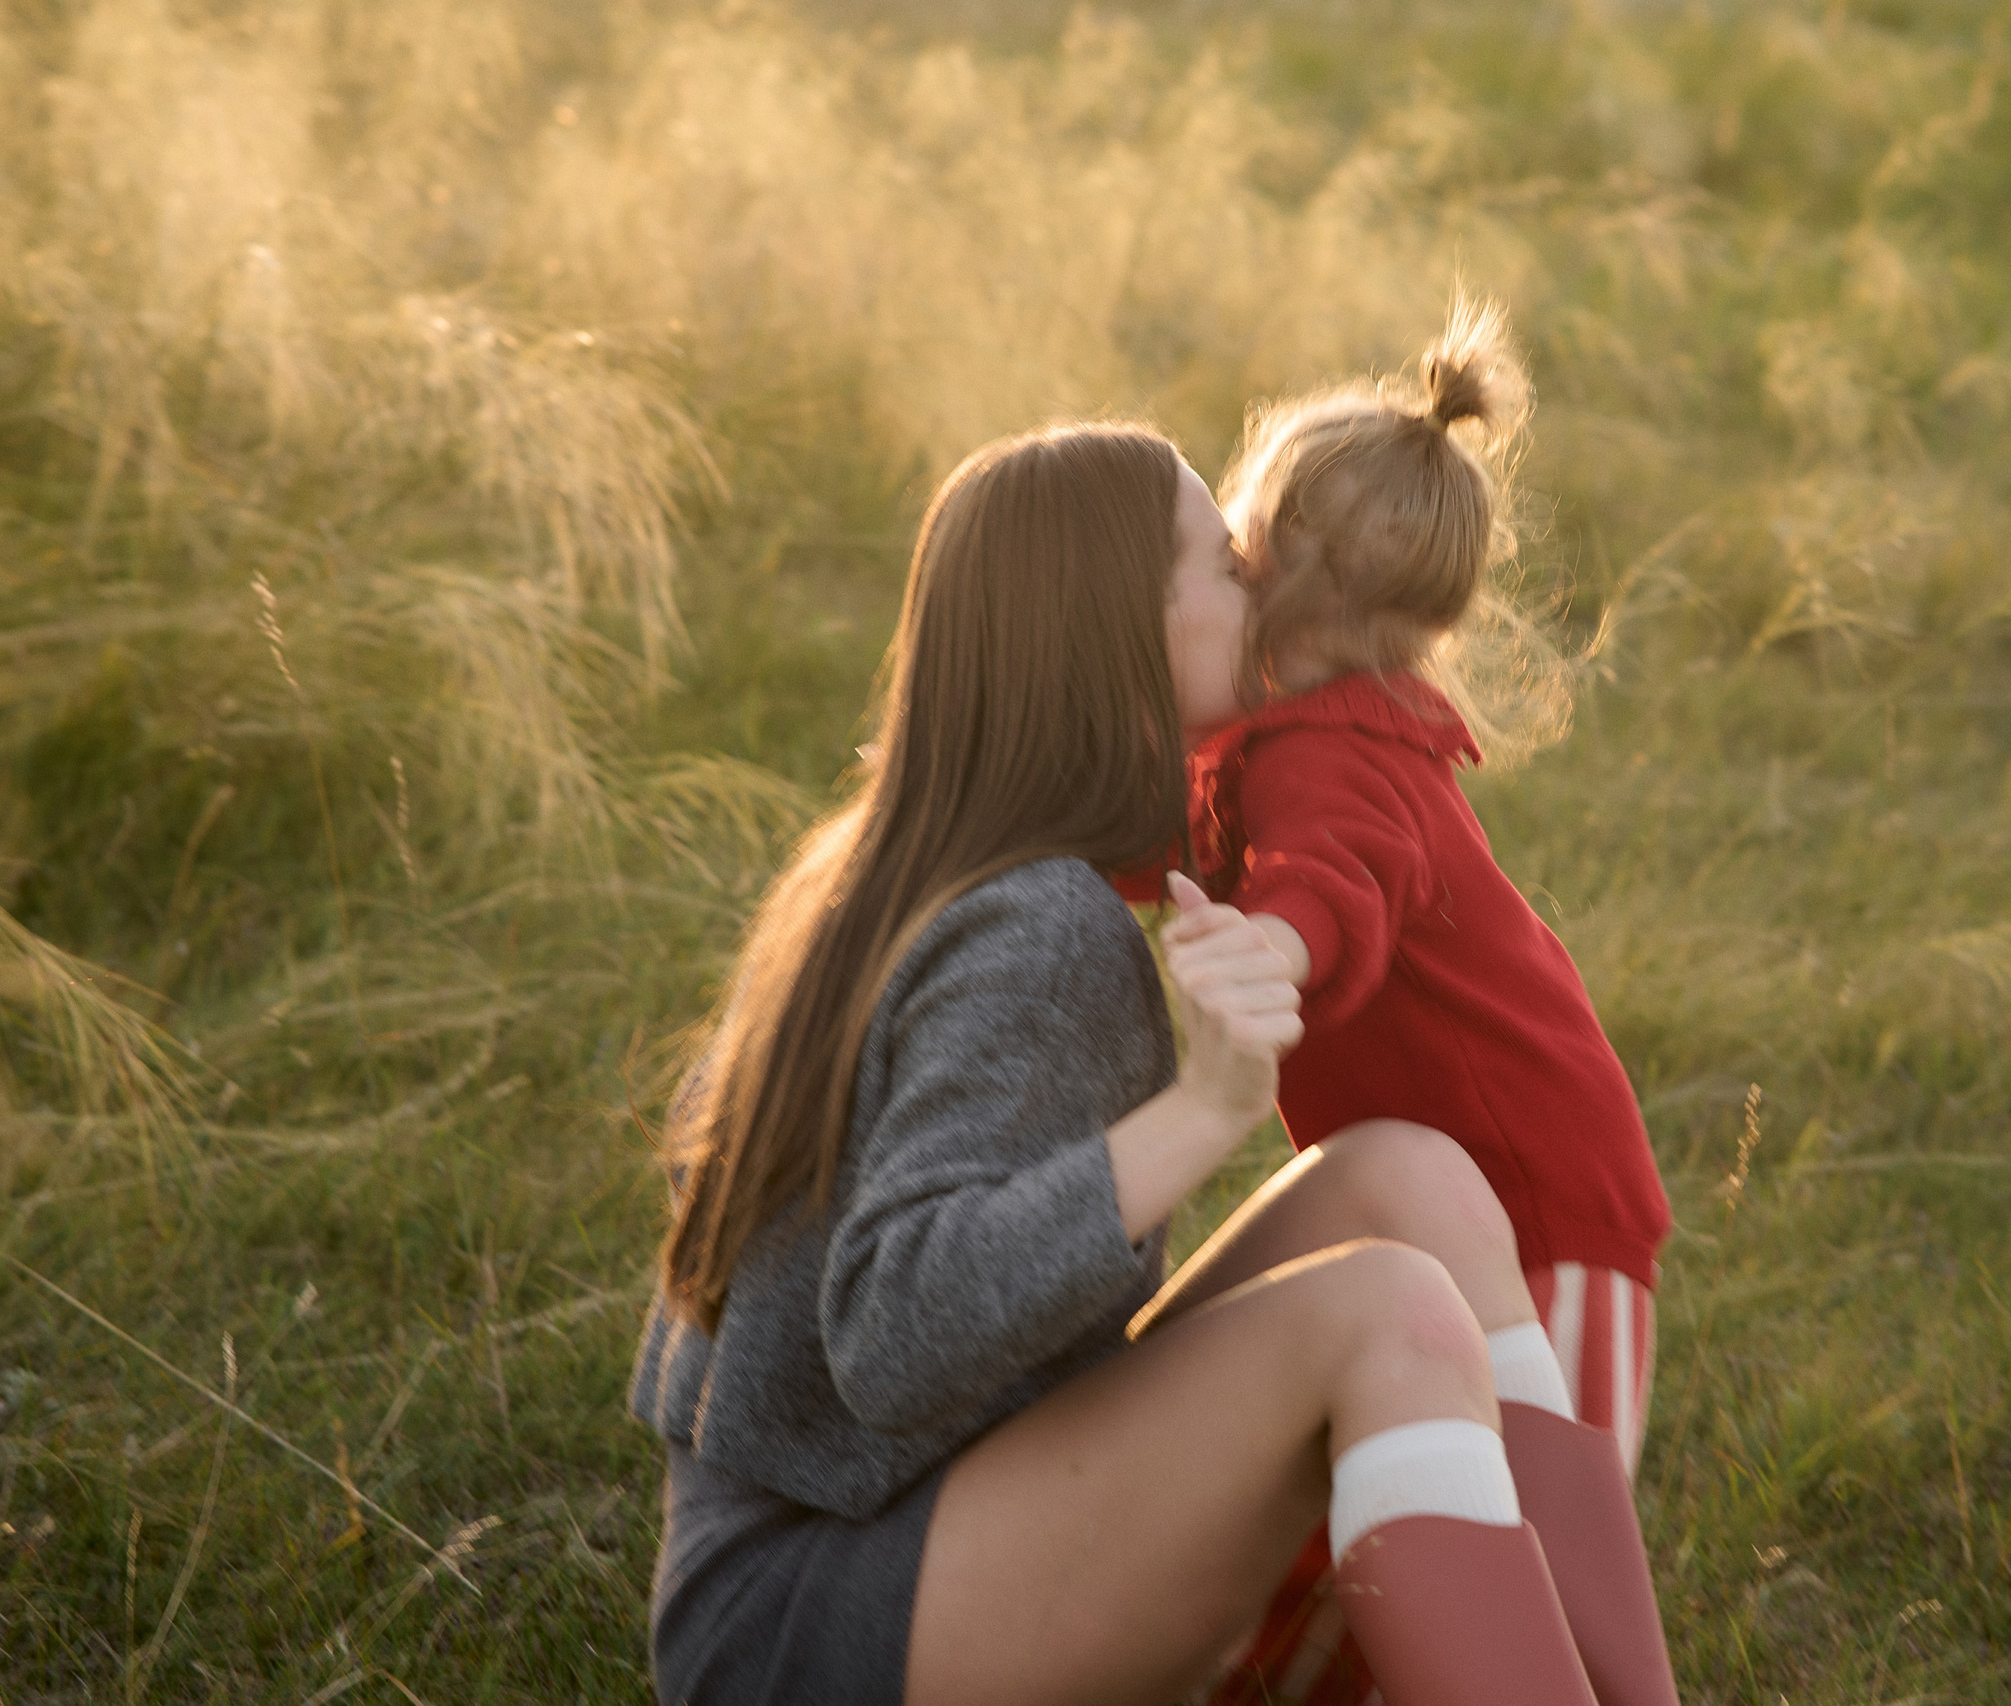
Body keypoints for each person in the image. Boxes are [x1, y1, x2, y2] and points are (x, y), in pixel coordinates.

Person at [628, 422, 1612, 1706]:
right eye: (1220, 561)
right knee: (1385, 1312)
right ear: (1122, 633)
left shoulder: (912, 851)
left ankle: (1605, 1679)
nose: (1260, 583)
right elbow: (891, 1336)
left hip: (863, 1543)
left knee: (1405, 1180)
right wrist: (1202, 1110)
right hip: (819, 1617)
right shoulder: (1036, 922)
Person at [1149, 303, 1681, 1706]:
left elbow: (1341, 881)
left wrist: (1279, 946)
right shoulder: (1289, 732)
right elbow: (1193, 831)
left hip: (1546, 1226)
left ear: (1255, 556)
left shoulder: (1339, 753)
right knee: (1387, 1529)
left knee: (1495, 1559)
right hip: (1461, 1213)